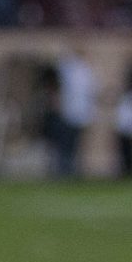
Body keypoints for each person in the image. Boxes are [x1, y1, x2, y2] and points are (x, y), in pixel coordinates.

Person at [50, 44, 95, 179]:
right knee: (65, 143)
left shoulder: (86, 71)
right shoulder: (69, 68)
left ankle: (72, 169)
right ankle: (64, 169)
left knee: (75, 144)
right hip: (68, 111)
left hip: (79, 112)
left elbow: (91, 92)